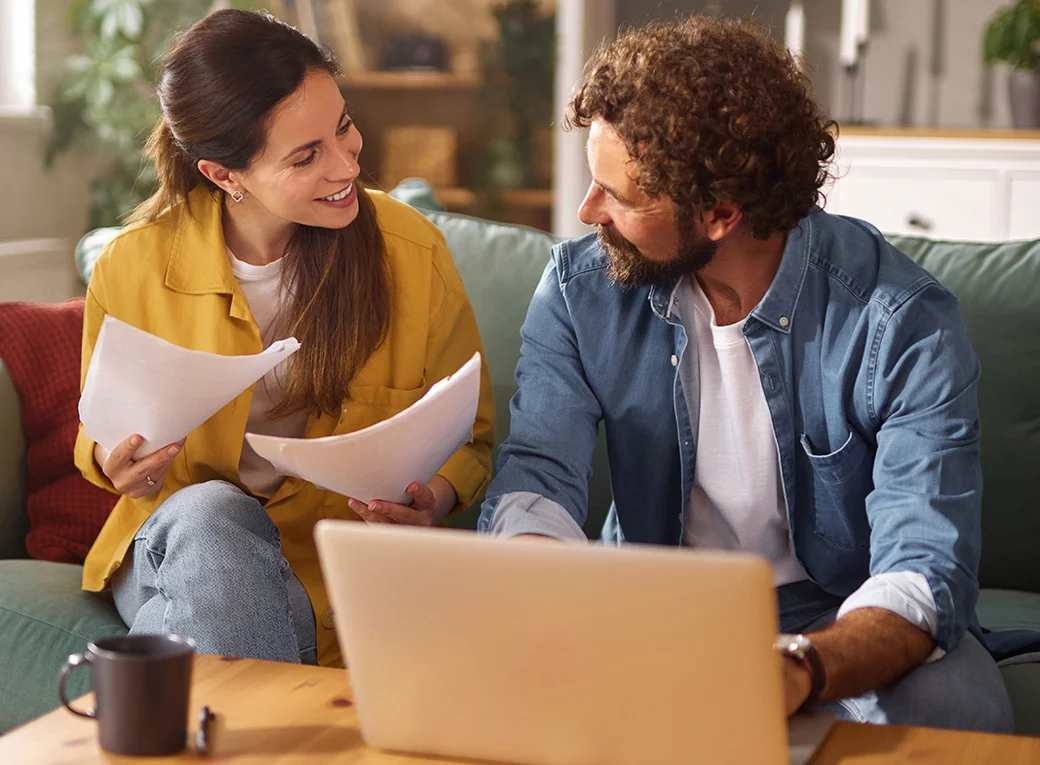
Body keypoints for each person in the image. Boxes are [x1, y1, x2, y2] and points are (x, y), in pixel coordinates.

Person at [479, 16, 1017, 731]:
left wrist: (796, 667)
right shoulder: (580, 293)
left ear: (721, 214)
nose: (587, 212)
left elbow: (922, 567)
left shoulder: (900, 322)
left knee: (952, 704)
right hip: (648, 605)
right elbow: (539, 476)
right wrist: (551, 588)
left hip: (836, 615)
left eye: (622, 197)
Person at [74, 9, 495, 668]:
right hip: (180, 546)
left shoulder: (412, 252)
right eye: (306, 155)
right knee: (211, 514)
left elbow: (474, 436)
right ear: (224, 175)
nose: (347, 163)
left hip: (331, 567)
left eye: (344, 126)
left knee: (190, 629)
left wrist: (432, 498)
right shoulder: (132, 267)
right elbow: (98, 434)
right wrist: (115, 463)